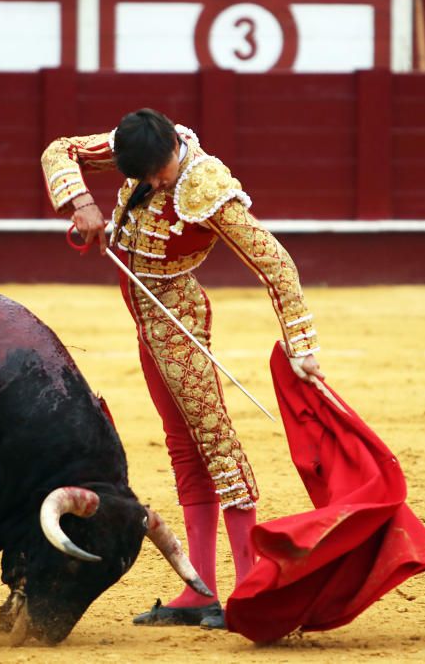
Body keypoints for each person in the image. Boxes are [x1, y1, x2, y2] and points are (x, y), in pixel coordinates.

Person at [40, 108, 323, 630]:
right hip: (147, 314)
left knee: (216, 445)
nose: (152, 183)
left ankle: (245, 589)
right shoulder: (139, 143)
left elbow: (277, 263)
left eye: (158, 173)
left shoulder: (205, 184)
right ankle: (203, 591)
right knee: (183, 447)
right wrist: (82, 204)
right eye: (141, 176)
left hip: (176, 319)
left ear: (173, 147)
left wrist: (301, 345)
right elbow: (59, 149)